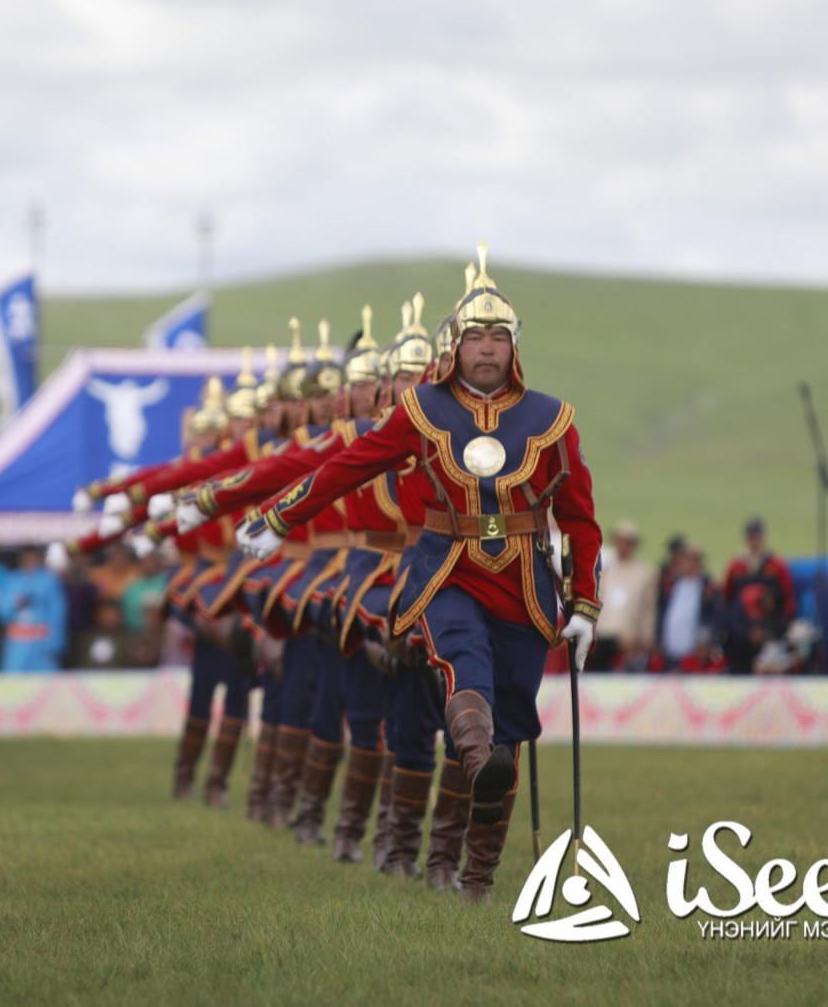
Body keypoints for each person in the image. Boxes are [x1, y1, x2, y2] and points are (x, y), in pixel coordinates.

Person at [238, 243, 602, 904]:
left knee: (511, 724)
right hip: (446, 570)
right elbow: (348, 466)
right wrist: (282, 516)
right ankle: (457, 788)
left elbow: (580, 519)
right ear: (455, 347)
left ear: (514, 346)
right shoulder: (420, 410)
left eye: (498, 336)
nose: (486, 348)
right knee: (464, 666)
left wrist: (585, 606)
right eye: (474, 336)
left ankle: (470, 874)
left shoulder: (555, 421)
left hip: (523, 580)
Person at [722, 517, 795, 675]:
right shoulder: (736, 566)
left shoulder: (776, 566)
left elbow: (787, 601)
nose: (755, 541)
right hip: (741, 635)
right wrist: (745, 631)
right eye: (751, 536)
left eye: (758, 536)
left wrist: (773, 630)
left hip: (770, 632)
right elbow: (728, 602)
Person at [588, 519, 657, 671]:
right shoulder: (605, 569)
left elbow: (648, 608)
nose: (623, 545)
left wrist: (646, 637)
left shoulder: (645, 572)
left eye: (627, 542)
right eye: (619, 541)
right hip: (603, 634)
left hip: (629, 638)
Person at [0, 546, 68, 672]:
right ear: (21, 559)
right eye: (27, 557)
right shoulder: (12, 580)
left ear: (39, 559)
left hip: (42, 643)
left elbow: (58, 613)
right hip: (17, 643)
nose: (30, 560)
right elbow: (1, 611)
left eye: (33, 557)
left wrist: (54, 643)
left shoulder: (50, 580)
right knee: (14, 683)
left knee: (45, 683)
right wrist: (15, 603)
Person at [658, 542, 723, 672]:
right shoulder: (672, 585)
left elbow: (714, 617)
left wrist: (706, 641)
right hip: (669, 652)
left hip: (694, 655)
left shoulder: (707, 587)